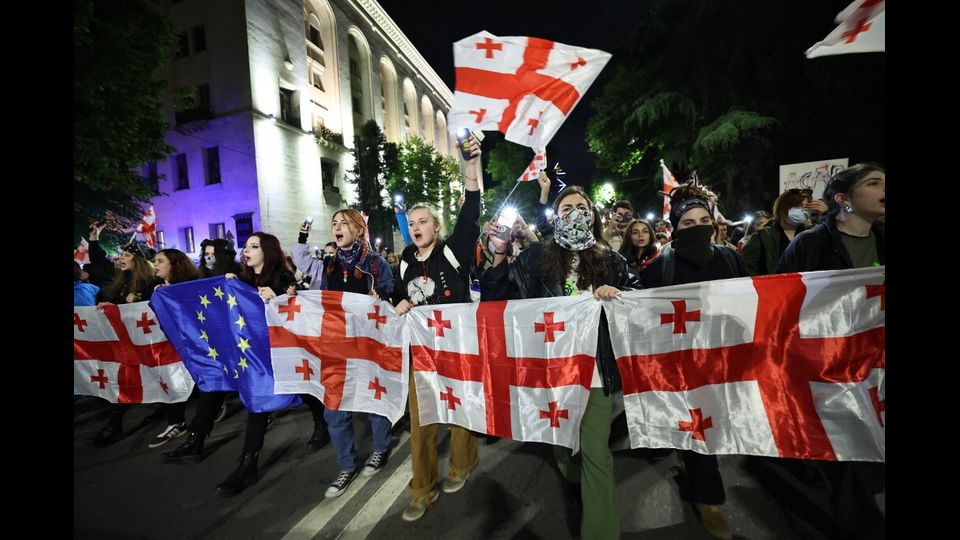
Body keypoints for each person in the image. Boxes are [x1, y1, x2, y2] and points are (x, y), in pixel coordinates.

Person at [481, 185, 638, 539]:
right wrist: (499, 256)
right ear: (556, 216)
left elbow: (638, 299)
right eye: (566, 207)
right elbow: (496, 300)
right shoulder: (536, 258)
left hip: (594, 370)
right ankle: (571, 479)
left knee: (597, 451)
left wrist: (619, 294)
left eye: (582, 207)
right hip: (550, 369)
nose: (574, 212)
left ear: (593, 214)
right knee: (563, 446)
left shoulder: (611, 260)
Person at [776, 164, 885, 540]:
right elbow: (780, 302)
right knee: (852, 460)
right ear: (844, 199)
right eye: (873, 184)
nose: (883, 189)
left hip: (879, 367)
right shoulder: (809, 245)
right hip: (833, 370)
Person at [638, 180, 748, 540]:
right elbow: (641, 316)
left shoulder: (731, 258)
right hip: (681, 363)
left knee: (717, 422)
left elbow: (751, 302)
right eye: (688, 223)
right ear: (674, 228)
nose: (698, 227)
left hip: (723, 357)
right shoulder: (658, 268)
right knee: (698, 423)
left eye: (704, 221)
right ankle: (710, 498)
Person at [393, 134, 482, 522]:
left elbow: (472, 209)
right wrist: (399, 302)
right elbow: (394, 297)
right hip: (421, 354)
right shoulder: (403, 263)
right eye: (411, 222)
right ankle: (421, 489)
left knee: (459, 410)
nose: (416, 226)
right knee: (422, 420)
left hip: (457, 348)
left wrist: (470, 164)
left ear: (436, 225)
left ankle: (462, 463)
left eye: (423, 221)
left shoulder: (453, 249)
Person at [293, 209, 395, 498]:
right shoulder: (327, 265)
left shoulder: (374, 263)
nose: (337, 228)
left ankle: (380, 448)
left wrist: (382, 298)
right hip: (336, 346)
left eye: (343, 223)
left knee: (374, 400)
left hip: (367, 345)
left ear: (358, 229)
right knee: (334, 409)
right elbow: (313, 286)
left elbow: (390, 292)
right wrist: (293, 296)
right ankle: (347, 465)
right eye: (334, 224)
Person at [213, 232, 303, 494]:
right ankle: (248, 465)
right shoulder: (241, 280)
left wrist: (279, 298)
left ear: (268, 251)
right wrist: (230, 287)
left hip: (284, 351)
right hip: (257, 356)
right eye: (246, 246)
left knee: (303, 390)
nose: (246, 250)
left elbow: (300, 308)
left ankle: (320, 424)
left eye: (254, 246)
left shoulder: (283, 278)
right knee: (257, 402)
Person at [88, 239, 163, 445]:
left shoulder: (150, 282)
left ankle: (168, 411)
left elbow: (152, 308)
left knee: (154, 377)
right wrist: (112, 305)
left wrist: (136, 302)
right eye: (121, 255)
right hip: (126, 343)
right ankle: (114, 424)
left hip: (147, 342)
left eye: (127, 255)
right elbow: (100, 266)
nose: (121, 258)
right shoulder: (121, 282)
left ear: (137, 259)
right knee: (123, 379)